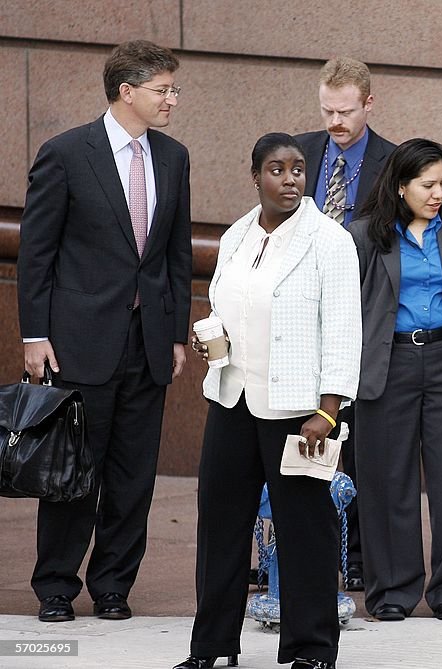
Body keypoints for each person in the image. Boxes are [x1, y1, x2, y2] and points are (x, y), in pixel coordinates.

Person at [17, 40, 191, 624]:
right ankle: (56, 589)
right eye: (163, 89)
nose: (172, 98)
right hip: (77, 342)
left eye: (172, 88)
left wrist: (172, 334)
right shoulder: (66, 153)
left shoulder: (174, 157)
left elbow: (173, 253)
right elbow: (36, 254)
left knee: (133, 475)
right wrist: (33, 335)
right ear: (127, 91)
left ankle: (114, 586)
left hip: (147, 344)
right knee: (70, 472)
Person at [173, 133, 361, 669]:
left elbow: (345, 330)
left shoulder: (329, 241)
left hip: (300, 415)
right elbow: (224, 302)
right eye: (277, 170)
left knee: (306, 531)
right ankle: (211, 648)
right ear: (255, 176)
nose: (290, 180)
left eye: (298, 170)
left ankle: (312, 650)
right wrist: (210, 336)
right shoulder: (236, 234)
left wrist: (328, 409)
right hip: (233, 399)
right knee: (220, 526)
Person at [348, 138, 442, 623]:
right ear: (401, 185)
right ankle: (392, 591)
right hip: (389, 364)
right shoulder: (365, 234)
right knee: (388, 482)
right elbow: (350, 307)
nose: (438, 194)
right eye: (428, 185)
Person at [294, 56, 397, 591]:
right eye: (327, 110)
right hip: (299, 317)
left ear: (368, 104)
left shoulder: (393, 161)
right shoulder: (299, 154)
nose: (335, 121)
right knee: (297, 428)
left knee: (353, 440)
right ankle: (291, 549)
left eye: (346, 111)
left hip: (361, 316)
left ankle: (355, 554)